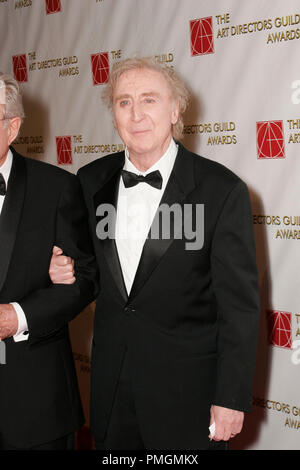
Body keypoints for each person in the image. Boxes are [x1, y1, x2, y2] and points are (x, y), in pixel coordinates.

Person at [50, 57, 260, 450]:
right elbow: (88, 271)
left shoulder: (220, 190)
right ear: (113, 114)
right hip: (113, 394)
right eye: (124, 102)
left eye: (149, 99)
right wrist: (61, 269)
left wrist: (230, 399)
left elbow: (240, 308)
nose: (137, 114)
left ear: (175, 108)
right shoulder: (90, 181)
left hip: (188, 399)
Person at [0, 72, 97, 450]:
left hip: (35, 403)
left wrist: (18, 316)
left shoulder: (56, 187)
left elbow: (86, 277)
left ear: (12, 127)